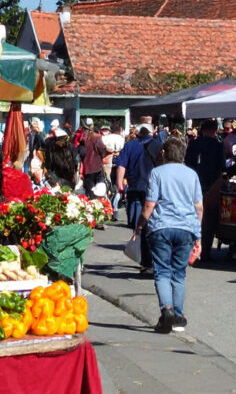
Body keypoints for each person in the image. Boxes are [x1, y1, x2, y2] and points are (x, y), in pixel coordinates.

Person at [132, 137, 202, 333]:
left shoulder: (157, 173)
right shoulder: (191, 174)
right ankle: (178, 315)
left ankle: (167, 310)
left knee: (162, 271)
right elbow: (199, 207)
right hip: (186, 227)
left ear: (164, 153)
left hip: (161, 227)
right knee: (179, 273)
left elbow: (149, 205)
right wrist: (198, 234)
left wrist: (139, 225)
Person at [115, 124, 162, 274]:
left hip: (134, 187)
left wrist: (119, 183)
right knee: (151, 223)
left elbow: (121, 165)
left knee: (139, 223)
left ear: (139, 132)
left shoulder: (130, 145)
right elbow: (161, 166)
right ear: (151, 131)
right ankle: (151, 260)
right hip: (152, 188)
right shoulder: (157, 145)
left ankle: (145, 260)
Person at [184, 120, 224, 261]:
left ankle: (189, 248)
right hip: (211, 186)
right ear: (214, 130)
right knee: (208, 221)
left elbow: (188, 163)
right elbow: (221, 167)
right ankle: (205, 250)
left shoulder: (193, 144)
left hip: (194, 185)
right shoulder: (218, 146)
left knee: (192, 217)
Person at [80, 121, 109, 197]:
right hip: (96, 167)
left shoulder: (82, 137)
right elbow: (102, 150)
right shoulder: (97, 137)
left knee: (90, 192)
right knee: (99, 192)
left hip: (86, 168)